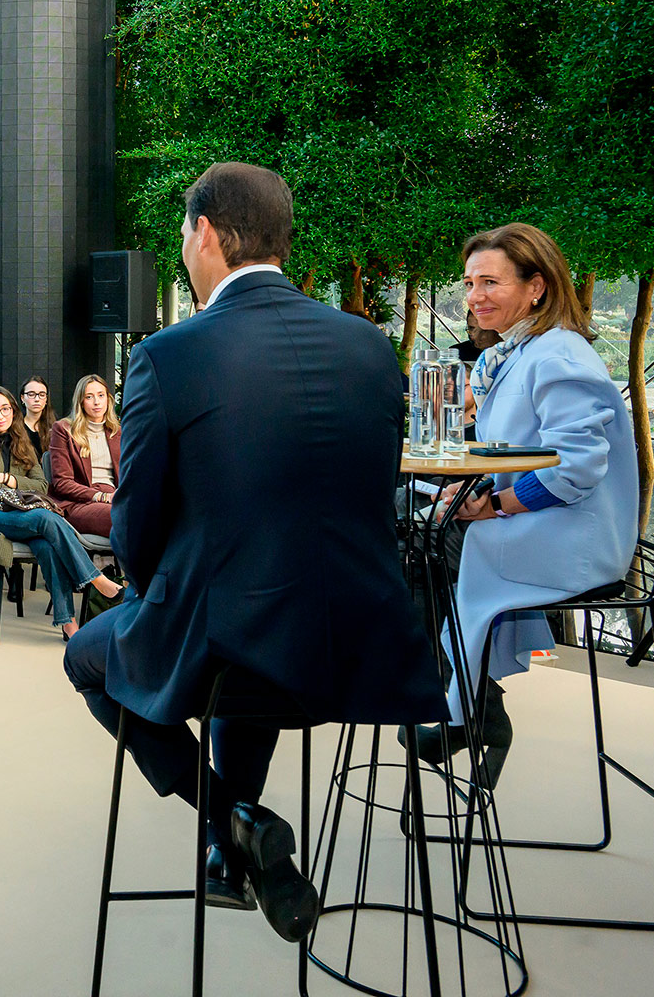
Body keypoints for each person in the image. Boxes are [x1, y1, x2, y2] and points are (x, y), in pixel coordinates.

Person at [65, 162, 447, 942]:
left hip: (233, 638)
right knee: (248, 632)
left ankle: (233, 817)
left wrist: (149, 588)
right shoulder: (369, 347)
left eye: (181, 233)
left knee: (89, 659)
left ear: (205, 232)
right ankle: (227, 855)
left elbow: (134, 531)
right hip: (364, 639)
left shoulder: (168, 356)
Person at [408, 223, 639, 786]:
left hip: (571, 534)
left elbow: (578, 465)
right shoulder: (515, 351)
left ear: (536, 287)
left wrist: (496, 505)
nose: (474, 297)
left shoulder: (561, 355)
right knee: (407, 522)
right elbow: (481, 428)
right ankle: (466, 703)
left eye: (490, 282)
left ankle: (448, 700)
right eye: (468, 283)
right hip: (537, 520)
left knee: (413, 548)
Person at [0, 385, 120, 639]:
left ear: (13, 411)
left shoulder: (21, 442)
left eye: (4, 409)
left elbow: (41, 485)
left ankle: (68, 623)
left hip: (24, 513)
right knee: (46, 517)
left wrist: (7, 479)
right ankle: (94, 579)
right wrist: (16, 481)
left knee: (47, 546)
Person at [49, 375, 121, 538]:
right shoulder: (63, 429)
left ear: (108, 399)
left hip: (115, 498)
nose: (97, 402)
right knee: (125, 517)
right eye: (89, 397)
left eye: (101, 395)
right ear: (81, 401)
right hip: (80, 502)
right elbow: (62, 483)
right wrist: (102, 496)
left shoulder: (118, 432)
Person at [19, 378, 57, 466]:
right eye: (31, 394)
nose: (37, 399)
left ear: (46, 399)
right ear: (22, 398)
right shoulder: (15, 427)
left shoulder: (55, 427)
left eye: (42, 394)